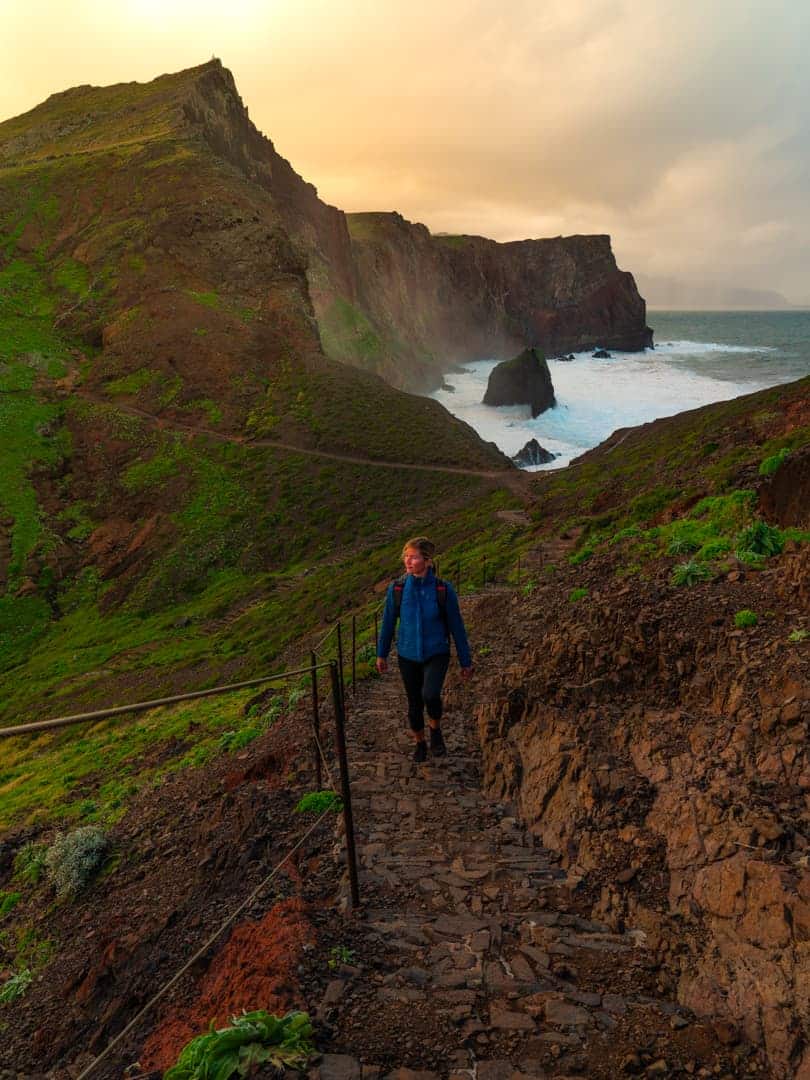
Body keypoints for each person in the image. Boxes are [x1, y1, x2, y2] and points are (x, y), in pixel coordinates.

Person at [376, 536, 473, 762]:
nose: (408, 562)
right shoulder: (397, 589)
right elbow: (388, 622)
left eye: (413, 557)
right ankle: (420, 743)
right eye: (406, 557)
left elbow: (457, 627)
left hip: (436, 652)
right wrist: (381, 654)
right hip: (407, 654)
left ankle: (435, 730)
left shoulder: (443, 590)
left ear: (427, 561)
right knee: (414, 702)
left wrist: (465, 661)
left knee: (430, 695)